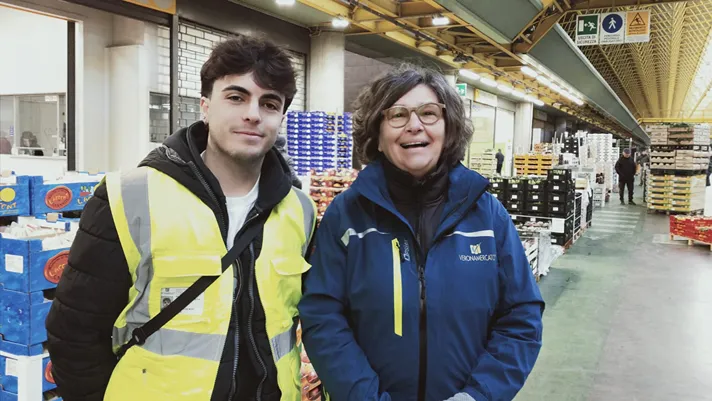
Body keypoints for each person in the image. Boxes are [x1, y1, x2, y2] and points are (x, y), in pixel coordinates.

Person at [45, 35, 317, 401]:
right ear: (205, 106)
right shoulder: (130, 196)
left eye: (269, 103)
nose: (253, 114)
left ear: (280, 118)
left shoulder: (300, 210)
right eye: (236, 97)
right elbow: (74, 333)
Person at [298, 64, 544, 401]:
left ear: (448, 130)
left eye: (429, 113)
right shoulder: (347, 215)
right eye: (397, 114)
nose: (414, 125)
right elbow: (323, 318)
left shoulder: (487, 216)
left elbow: (521, 317)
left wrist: (478, 396)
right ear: (377, 136)